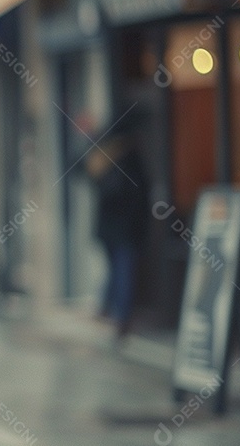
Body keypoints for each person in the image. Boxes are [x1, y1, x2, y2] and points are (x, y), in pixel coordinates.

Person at [85, 120, 149, 338]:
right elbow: (134, 194)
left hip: (112, 228)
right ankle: (120, 316)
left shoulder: (105, 161)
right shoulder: (125, 160)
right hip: (123, 229)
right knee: (123, 270)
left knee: (116, 269)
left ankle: (109, 308)